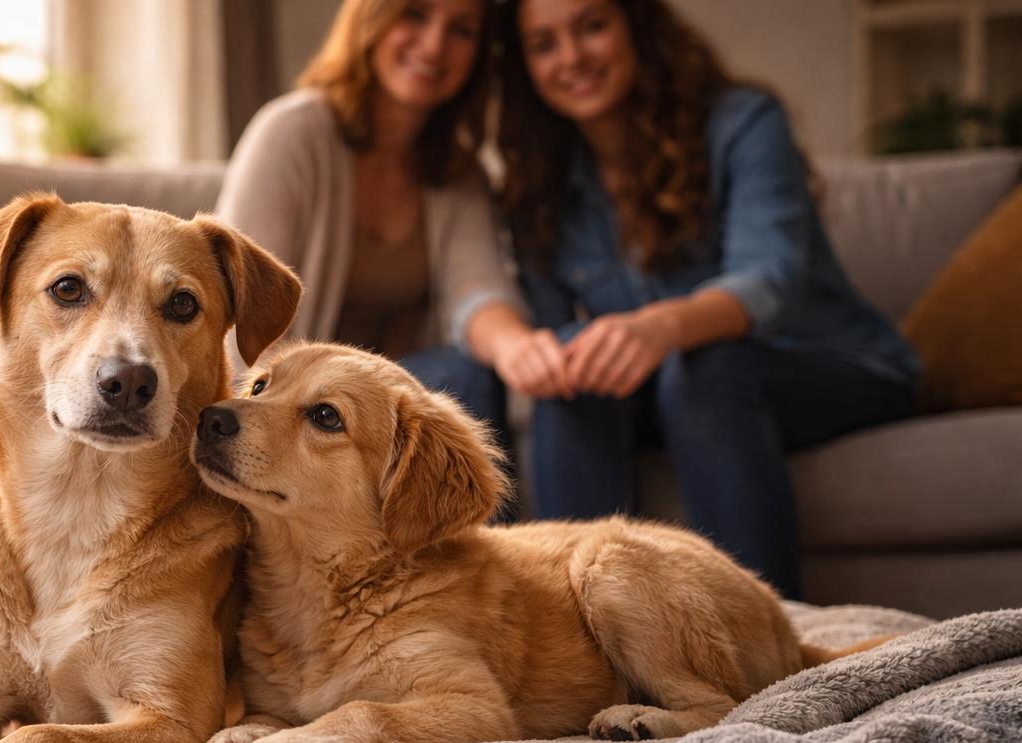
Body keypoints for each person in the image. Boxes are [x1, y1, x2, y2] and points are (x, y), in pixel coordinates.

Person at [470, 0, 921, 598]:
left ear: (638, 26)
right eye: (544, 44)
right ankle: (578, 630)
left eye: (593, 26)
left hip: (830, 364)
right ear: (524, 65)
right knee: (571, 382)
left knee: (705, 367)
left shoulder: (744, 122)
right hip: (675, 390)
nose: (572, 57)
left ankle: (770, 647)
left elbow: (769, 278)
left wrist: (663, 327)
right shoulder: (540, 182)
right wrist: (546, 356)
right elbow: (554, 325)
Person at [216, 0, 527, 484]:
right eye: (415, 15)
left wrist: (522, 350)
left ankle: (470, 554)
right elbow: (242, 305)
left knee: (466, 376)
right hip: (290, 399)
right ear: (371, 20)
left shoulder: (459, 172)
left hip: (385, 399)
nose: (435, 45)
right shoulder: (291, 132)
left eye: (461, 31)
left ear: (480, 55)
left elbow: (478, 292)